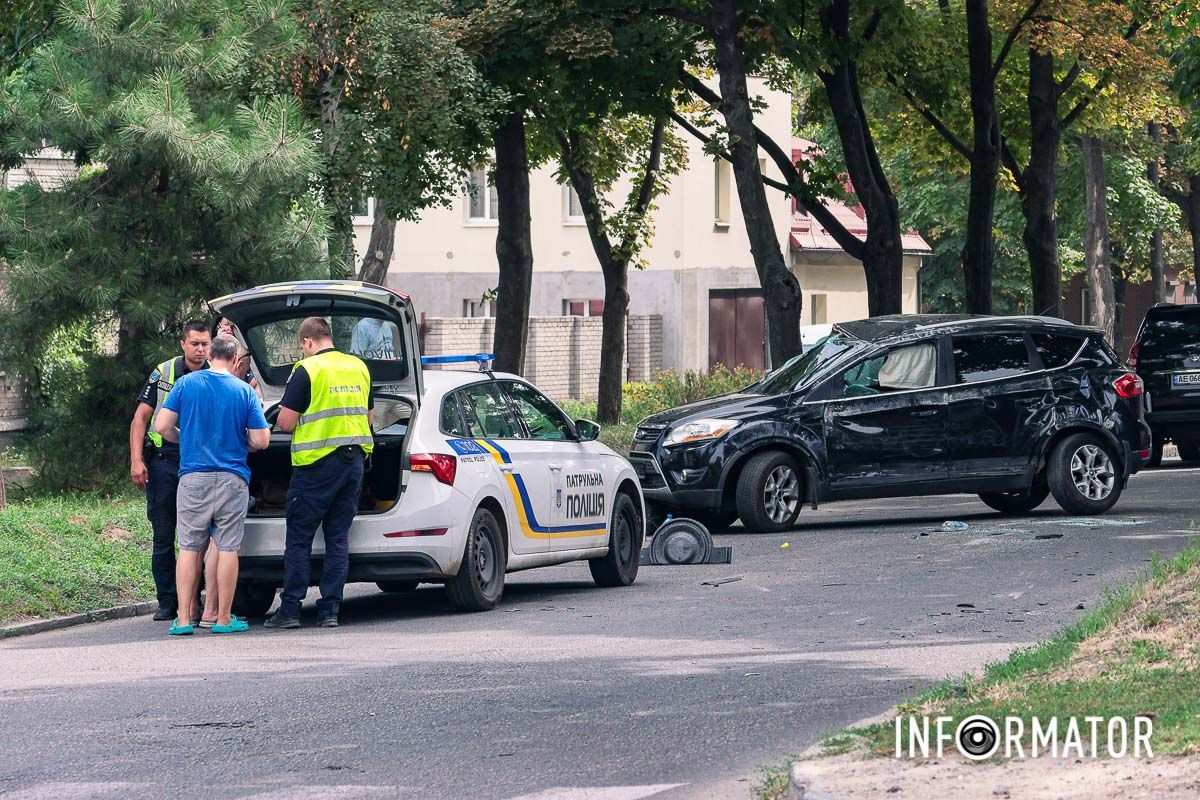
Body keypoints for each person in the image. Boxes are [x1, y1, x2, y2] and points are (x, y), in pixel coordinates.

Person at [154, 335, 270, 635]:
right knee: (228, 547)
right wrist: (241, 440)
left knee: (190, 547)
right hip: (232, 479)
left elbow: (161, 426)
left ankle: (182, 619)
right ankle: (221, 619)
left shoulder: (186, 384)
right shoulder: (244, 391)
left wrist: (186, 439)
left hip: (193, 477)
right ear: (234, 361)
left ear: (210, 356)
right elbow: (261, 440)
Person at [265, 316, 373, 630]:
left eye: (302, 347)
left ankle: (290, 610)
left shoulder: (307, 370)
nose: (303, 352)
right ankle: (330, 611)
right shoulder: (359, 367)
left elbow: (285, 423)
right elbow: (367, 416)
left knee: (299, 539)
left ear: (309, 342)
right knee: (338, 538)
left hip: (316, 465)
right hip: (353, 463)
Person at [129, 320, 212, 622]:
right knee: (164, 534)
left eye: (205, 344)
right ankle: (167, 601)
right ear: (183, 344)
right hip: (164, 461)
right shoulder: (163, 373)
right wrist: (137, 460)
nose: (200, 349)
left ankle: (196, 600)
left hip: (202, 463)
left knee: (202, 537)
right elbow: (141, 418)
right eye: (195, 343)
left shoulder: (216, 372)